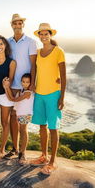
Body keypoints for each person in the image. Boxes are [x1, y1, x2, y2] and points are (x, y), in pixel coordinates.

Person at [30, 23, 66, 174]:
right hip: (39, 94)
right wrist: (32, 84)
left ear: (51, 35)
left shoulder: (58, 51)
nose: (44, 36)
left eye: (46, 34)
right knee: (42, 127)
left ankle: (53, 161)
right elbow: (34, 70)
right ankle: (43, 156)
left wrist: (62, 97)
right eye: (41, 34)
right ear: (39, 36)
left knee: (53, 128)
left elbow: (63, 76)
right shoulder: (37, 52)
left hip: (53, 94)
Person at [5, 13, 37, 159]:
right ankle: (15, 148)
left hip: (25, 86)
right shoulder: (7, 42)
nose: (17, 26)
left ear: (23, 25)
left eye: (20, 23)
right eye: (15, 23)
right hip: (12, 85)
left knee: (23, 122)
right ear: (11, 25)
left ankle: (23, 153)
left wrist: (31, 86)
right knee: (12, 117)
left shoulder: (30, 42)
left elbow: (33, 65)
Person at [3, 73, 34, 165]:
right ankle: (19, 151)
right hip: (19, 115)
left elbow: (14, 100)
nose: (25, 84)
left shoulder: (28, 93)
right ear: (21, 82)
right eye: (23, 82)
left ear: (30, 83)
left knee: (23, 131)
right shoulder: (20, 92)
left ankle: (22, 152)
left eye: (27, 82)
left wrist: (7, 88)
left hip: (26, 114)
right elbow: (11, 98)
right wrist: (6, 87)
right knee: (21, 131)